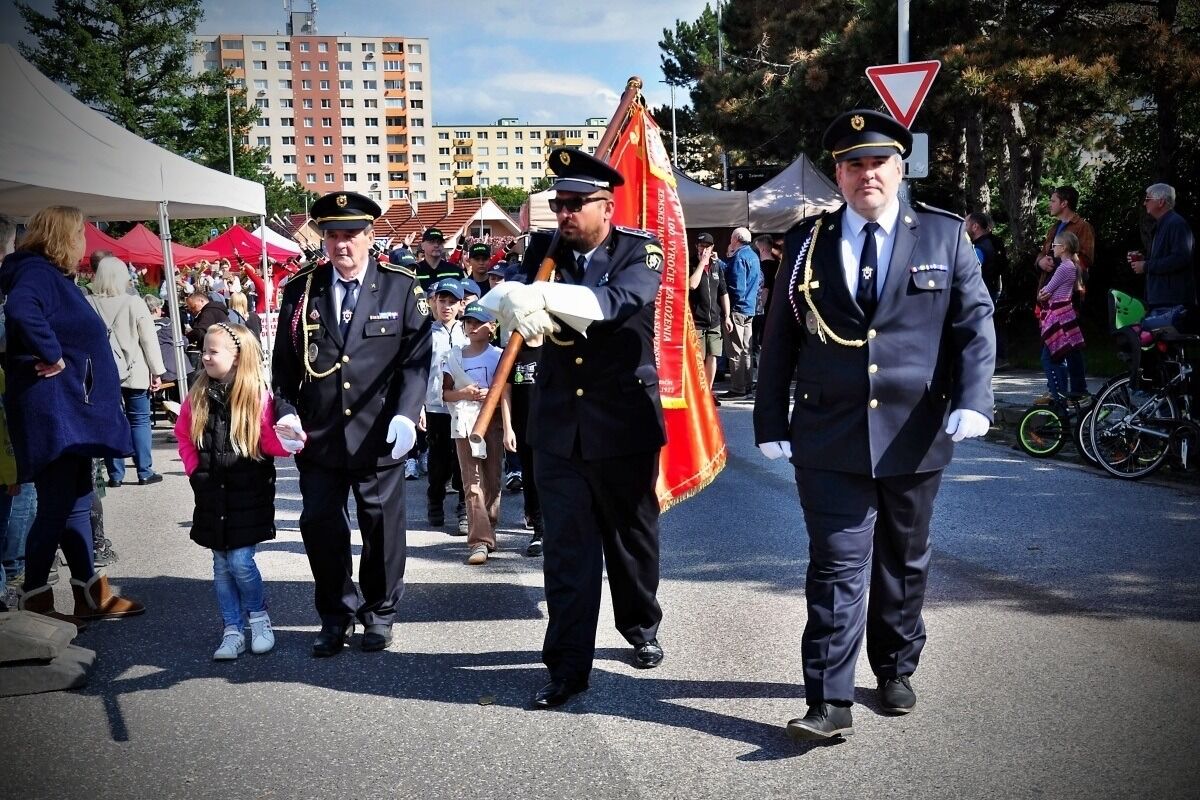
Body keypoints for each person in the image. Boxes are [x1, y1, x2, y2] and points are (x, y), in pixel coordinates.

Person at [753, 110, 995, 741]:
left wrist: (974, 398)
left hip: (915, 430)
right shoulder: (808, 240)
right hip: (828, 432)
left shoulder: (943, 236)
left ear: (900, 166)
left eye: (877, 162)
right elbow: (777, 336)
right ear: (838, 172)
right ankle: (829, 698)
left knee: (903, 560)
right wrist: (769, 418)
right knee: (835, 564)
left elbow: (974, 325)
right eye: (853, 163)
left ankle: (893, 666)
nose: (866, 174)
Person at [490, 147, 668, 709]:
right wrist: (511, 305)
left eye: (574, 205)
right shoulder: (544, 250)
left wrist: (545, 297)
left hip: (622, 426)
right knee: (568, 554)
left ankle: (640, 625)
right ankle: (567, 668)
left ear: (606, 206)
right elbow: (505, 301)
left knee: (631, 541)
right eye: (557, 203)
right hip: (560, 427)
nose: (562, 215)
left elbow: (619, 302)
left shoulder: (642, 250)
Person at [271, 191, 431, 657]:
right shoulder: (302, 290)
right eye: (333, 236)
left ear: (370, 236)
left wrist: (407, 411)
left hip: (380, 430)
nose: (342, 245)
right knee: (321, 525)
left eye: (351, 235)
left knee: (381, 527)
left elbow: (416, 362)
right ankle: (335, 614)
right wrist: (285, 412)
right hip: (319, 434)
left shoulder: (401, 286)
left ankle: (379, 613)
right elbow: (283, 365)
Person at [0, 205, 144, 623]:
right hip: (55, 412)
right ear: (64, 236)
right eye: (80, 232)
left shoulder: (45, 274)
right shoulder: (36, 274)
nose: (85, 241)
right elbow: (21, 310)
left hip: (67, 412)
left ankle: (90, 596)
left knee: (78, 501)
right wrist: (53, 355)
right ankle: (35, 599)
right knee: (57, 506)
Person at [175, 322, 291, 660]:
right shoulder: (197, 395)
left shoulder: (256, 396)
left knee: (240, 561)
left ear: (238, 357)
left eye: (213, 351)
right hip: (211, 494)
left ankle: (258, 618)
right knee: (221, 565)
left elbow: (269, 442)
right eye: (204, 351)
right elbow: (184, 437)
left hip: (247, 496)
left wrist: (293, 439)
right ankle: (231, 629)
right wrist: (194, 472)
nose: (205, 357)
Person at [442, 302, 514, 565]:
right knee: (471, 482)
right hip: (464, 423)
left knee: (492, 480)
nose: (471, 327)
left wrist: (507, 426)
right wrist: (465, 394)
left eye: (478, 323)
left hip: (491, 423)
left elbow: (505, 392)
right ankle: (479, 540)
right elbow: (446, 392)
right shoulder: (454, 356)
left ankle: (489, 527)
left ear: (491, 327)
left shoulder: (499, 355)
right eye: (468, 322)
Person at [88, 256, 167, 487]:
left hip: (103, 372)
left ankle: (115, 475)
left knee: (110, 420)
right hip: (135, 370)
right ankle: (144, 470)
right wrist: (157, 371)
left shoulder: (89, 303)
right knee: (139, 420)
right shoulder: (135, 303)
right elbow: (148, 341)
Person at [1034, 186, 1093, 399]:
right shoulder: (1054, 228)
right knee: (1061, 344)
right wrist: (1041, 261)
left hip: (1069, 295)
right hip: (1051, 293)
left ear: (1064, 203)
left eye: (1052, 200)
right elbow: (1043, 253)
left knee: (1067, 343)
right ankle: (1062, 390)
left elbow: (1085, 259)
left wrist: (1059, 262)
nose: (1049, 204)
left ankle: (1070, 391)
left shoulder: (1082, 227)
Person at [424, 278, 468, 532]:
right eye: (442, 301)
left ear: (461, 305)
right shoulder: (427, 333)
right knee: (438, 459)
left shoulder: (467, 331)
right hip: (435, 406)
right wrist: (419, 405)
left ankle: (464, 507)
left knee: (462, 458)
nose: (447, 306)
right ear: (434, 302)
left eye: (452, 302)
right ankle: (435, 501)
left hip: (462, 405)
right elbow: (419, 372)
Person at [1130, 183, 1196, 313]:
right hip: (1161, 299)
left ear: (1161, 202)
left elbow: (1181, 258)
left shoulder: (1176, 224)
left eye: (1148, 199)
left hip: (1172, 302)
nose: (1144, 203)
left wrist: (1146, 266)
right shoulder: (1163, 224)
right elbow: (1166, 257)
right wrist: (1143, 259)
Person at [1038, 231, 1086, 399]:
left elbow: (1046, 290)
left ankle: (1058, 395)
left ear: (1063, 247)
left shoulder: (1064, 267)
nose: (1052, 249)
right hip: (1063, 315)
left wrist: (1042, 294)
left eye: (1055, 246)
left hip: (1057, 318)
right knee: (1057, 356)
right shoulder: (1071, 266)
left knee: (1050, 358)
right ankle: (1060, 394)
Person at [720, 226, 762, 399]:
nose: (730, 241)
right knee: (746, 349)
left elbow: (736, 287)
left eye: (731, 238)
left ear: (736, 238)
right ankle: (747, 387)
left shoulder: (739, 257)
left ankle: (738, 389)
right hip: (750, 308)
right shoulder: (753, 256)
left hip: (737, 309)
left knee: (735, 351)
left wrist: (728, 309)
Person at [688, 231, 728, 403]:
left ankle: (707, 391)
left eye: (706, 246)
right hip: (696, 320)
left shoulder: (717, 266)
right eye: (700, 245)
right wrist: (701, 263)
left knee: (713, 356)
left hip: (714, 319)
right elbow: (692, 284)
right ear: (696, 246)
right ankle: (697, 391)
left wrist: (727, 316)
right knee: (698, 358)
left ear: (712, 247)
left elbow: (723, 291)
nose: (703, 249)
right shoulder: (691, 262)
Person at [966, 212, 1009, 367]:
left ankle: (988, 360)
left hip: (985, 291)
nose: (964, 227)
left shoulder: (980, 248)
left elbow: (970, 270)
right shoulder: (995, 242)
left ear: (975, 226)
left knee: (984, 325)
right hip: (997, 288)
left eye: (966, 223)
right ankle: (999, 357)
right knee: (995, 323)